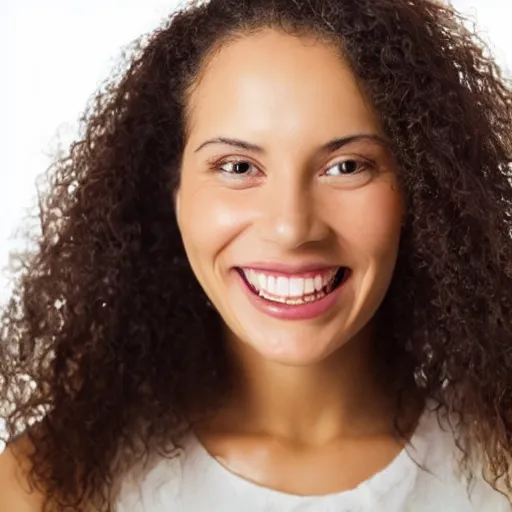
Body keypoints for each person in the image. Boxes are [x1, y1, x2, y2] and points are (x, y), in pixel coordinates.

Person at [1, 0, 512, 510]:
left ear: (420, 190)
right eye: (238, 167)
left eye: (347, 165)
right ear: (172, 192)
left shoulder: (500, 469)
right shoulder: (46, 487)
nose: (291, 228)